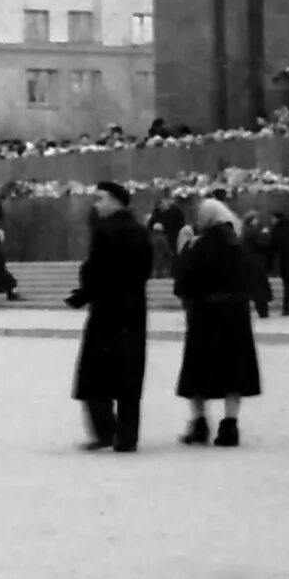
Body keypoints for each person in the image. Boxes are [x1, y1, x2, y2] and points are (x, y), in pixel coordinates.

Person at [68, 183, 155, 452]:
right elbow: (145, 269)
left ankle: (105, 430)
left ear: (116, 202)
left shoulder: (105, 232)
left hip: (107, 309)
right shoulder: (141, 233)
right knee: (129, 375)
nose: (97, 204)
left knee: (94, 374)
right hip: (133, 310)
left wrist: (82, 295)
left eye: (101, 199)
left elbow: (97, 270)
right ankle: (127, 436)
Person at [172, 199, 262, 446]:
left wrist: (183, 250)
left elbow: (182, 282)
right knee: (234, 370)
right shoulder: (237, 246)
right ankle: (230, 424)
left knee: (198, 371)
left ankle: (199, 423)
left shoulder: (198, 246)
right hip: (235, 314)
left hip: (204, 314)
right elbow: (252, 276)